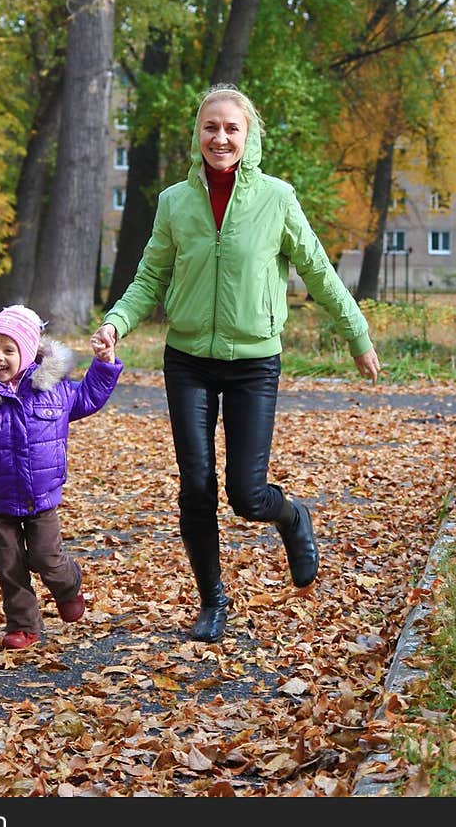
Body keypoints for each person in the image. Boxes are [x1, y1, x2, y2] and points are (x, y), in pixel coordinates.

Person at [92, 83, 380, 643]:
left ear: (248, 137)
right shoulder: (176, 201)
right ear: (198, 135)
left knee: (247, 495)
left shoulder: (277, 198)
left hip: (254, 362)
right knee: (195, 486)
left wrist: (357, 333)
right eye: (210, 127)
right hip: (189, 361)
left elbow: (318, 271)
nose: (220, 137)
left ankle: (293, 516)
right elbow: (151, 276)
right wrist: (116, 322)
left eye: (231, 128)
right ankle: (213, 601)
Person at [0, 303, 122, 650]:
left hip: (42, 495)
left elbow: (89, 396)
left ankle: (68, 587)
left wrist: (105, 364)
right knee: (7, 566)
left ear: (28, 353)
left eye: (9, 350)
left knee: (46, 558)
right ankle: (23, 625)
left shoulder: (53, 389)